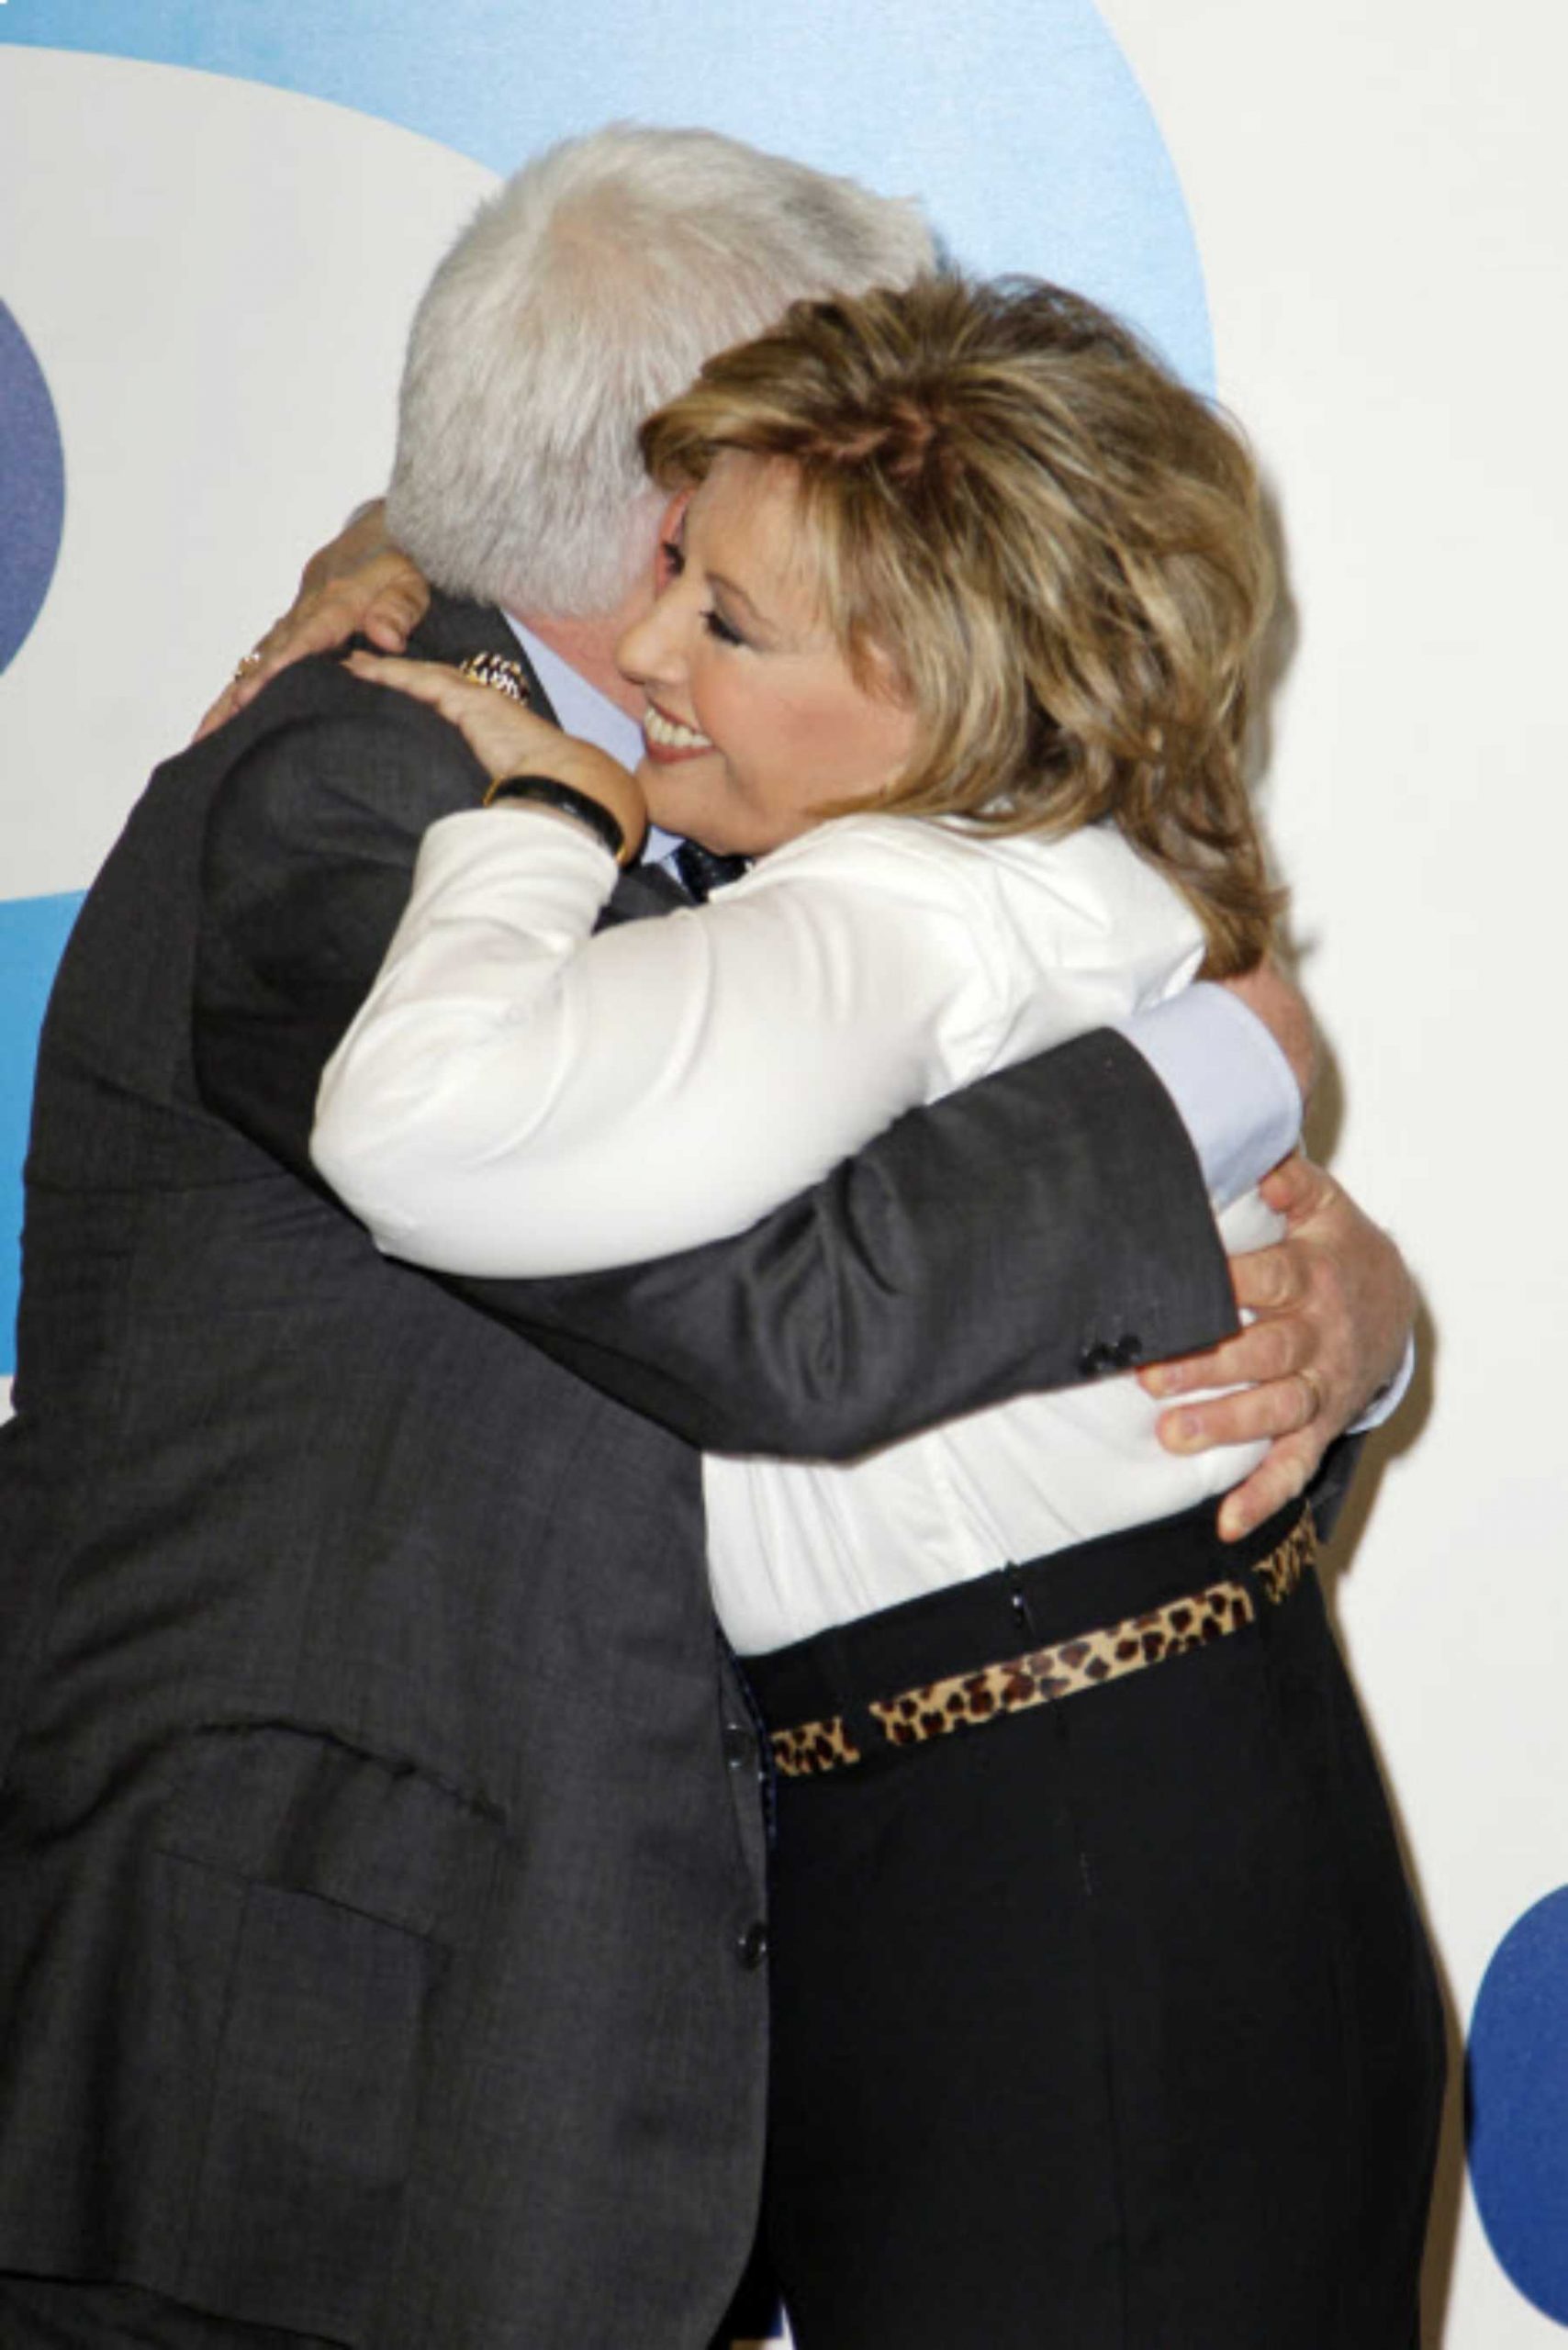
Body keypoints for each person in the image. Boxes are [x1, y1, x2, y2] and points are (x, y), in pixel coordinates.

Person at [0, 129, 1410, 2350]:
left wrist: (1344, 1303)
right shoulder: (353, 799)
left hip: (663, 2049)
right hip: (313, 2106)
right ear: (671, 486)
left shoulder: (782, 826)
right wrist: (1231, 1061)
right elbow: (788, 1320)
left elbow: (983, 1394)